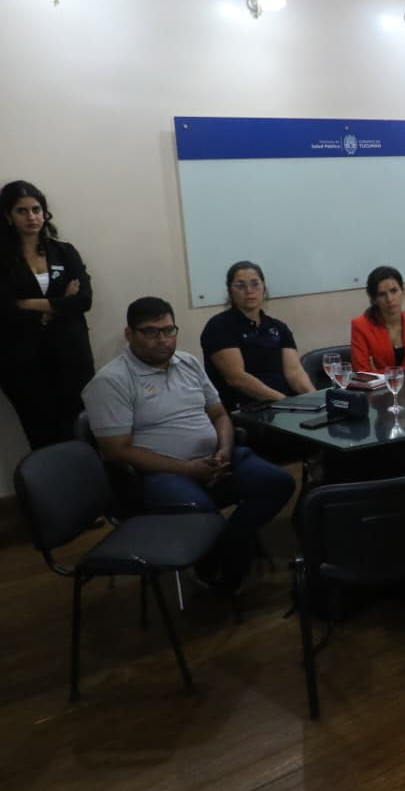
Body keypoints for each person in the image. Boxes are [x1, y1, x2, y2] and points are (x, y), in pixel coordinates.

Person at [81, 297, 296, 592]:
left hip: (216, 461)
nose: (162, 340)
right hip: (161, 475)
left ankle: (226, 548)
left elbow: (220, 414)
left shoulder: (188, 363)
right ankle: (221, 568)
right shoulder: (111, 381)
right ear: (129, 334)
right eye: (150, 332)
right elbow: (116, 450)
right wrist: (189, 469)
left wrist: (223, 449)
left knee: (279, 483)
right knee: (203, 513)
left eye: (169, 330)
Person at [0, 180, 96, 450]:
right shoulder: (3, 259)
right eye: (22, 211)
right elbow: (4, 309)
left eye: (36, 209)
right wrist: (60, 303)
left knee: (82, 431)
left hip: (72, 357)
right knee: (43, 435)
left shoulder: (64, 252)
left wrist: (29, 304)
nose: (31, 217)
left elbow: (84, 300)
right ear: (8, 216)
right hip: (23, 362)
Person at [200, 261, 316, 410]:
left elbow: (295, 373)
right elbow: (237, 379)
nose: (249, 290)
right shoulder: (219, 326)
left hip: (285, 405)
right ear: (230, 291)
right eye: (240, 286)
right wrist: (285, 403)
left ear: (264, 289)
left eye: (255, 284)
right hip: (249, 409)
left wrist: (316, 401)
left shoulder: (278, 327)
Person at [350, 266, 405, 372]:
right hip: (380, 385)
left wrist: (380, 371)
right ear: (374, 299)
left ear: (403, 292)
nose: (390, 299)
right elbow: (362, 373)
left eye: (394, 291)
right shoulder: (360, 326)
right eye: (382, 294)